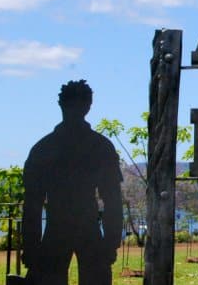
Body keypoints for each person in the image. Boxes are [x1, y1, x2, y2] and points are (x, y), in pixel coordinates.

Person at [22, 80, 123, 285]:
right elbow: (112, 200)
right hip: (88, 230)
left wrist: (31, 246)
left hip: (57, 230)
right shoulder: (101, 147)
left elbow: (32, 205)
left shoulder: (43, 148)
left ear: (61, 104)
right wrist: (111, 241)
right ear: (89, 105)